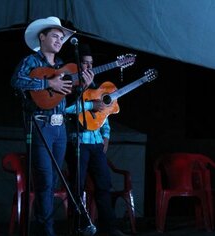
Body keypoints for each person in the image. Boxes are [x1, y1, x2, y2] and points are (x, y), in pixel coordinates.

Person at [11, 16, 94, 236]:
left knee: (54, 180)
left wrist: (81, 87)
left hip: (60, 130)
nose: (59, 41)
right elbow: (16, 81)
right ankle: (46, 231)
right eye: (55, 36)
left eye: (61, 38)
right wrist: (48, 82)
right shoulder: (32, 61)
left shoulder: (62, 66)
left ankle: (50, 227)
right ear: (42, 37)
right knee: (45, 180)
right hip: (39, 126)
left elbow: (66, 99)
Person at [65, 44, 128, 236]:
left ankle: (109, 228)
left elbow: (104, 117)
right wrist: (91, 103)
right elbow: (65, 109)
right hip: (78, 143)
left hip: (95, 144)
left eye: (90, 64)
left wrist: (106, 138)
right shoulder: (69, 86)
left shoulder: (98, 88)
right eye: (84, 63)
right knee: (78, 187)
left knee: (104, 185)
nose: (88, 67)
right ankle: (79, 228)